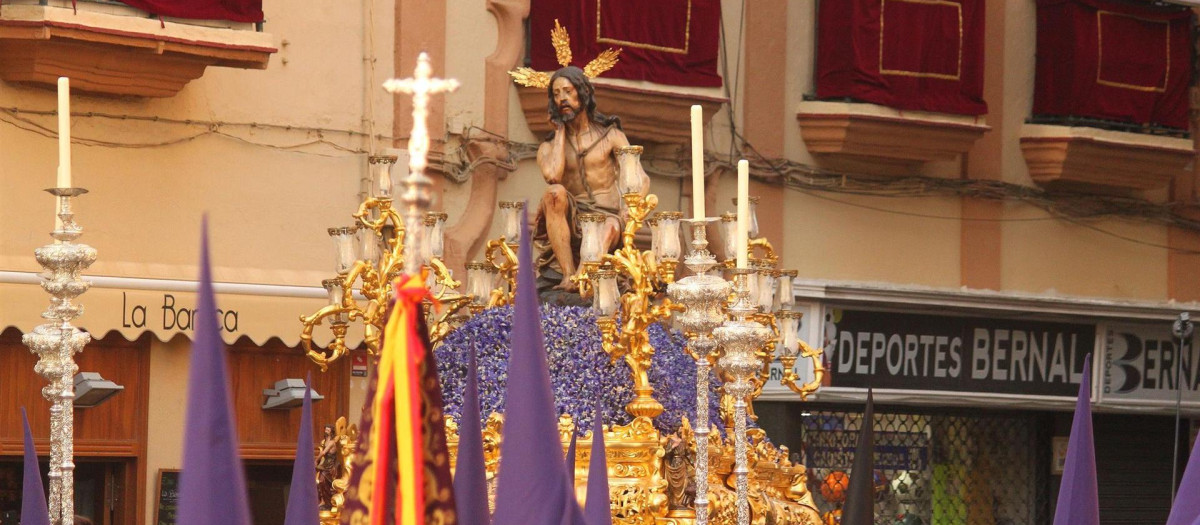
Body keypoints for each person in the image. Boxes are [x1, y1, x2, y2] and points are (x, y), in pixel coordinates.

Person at [534, 66, 648, 296]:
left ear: (583, 92)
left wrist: (629, 209)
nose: (562, 98)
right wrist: (559, 131)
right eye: (556, 94)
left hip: (609, 216)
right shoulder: (549, 147)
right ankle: (568, 274)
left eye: (567, 91)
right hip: (574, 216)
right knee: (554, 192)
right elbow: (553, 176)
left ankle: (582, 276)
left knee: (606, 227)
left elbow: (640, 178)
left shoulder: (611, 136)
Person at [315, 424, 339, 510]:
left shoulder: (332, 442)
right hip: (324, 463)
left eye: (328, 430)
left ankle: (328, 502)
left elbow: (324, 452)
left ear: (331, 432)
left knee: (323, 481)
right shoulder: (326, 440)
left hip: (329, 465)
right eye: (326, 430)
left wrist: (316, 460)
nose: (326, 431)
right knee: (320, 482)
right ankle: (324, 501)